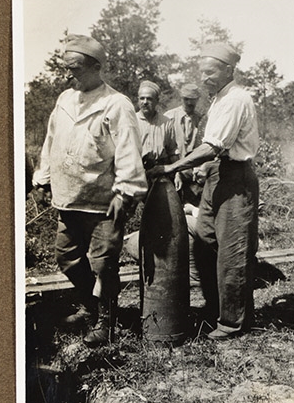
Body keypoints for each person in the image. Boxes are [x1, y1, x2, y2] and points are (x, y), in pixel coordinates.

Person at [32, 35, 148, 346]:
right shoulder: (64, 100)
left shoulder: (116, 104)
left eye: (75, 69)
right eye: (66, 69)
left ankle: (106, 323)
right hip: (70, 197)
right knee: (66, 256)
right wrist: (42, 179)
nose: (68, 75)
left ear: (95, 67)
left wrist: (125, 192)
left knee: (103, 264)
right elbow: (51, 141)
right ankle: (89, 307)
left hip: (103, 202)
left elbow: (127, 151)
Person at [149, 42, 259, 340]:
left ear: (228, 70)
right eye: (203, 72)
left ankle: (233, 322)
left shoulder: (237, 99)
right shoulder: (218, 100)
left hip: (236, 179)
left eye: (211, 72)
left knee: (232, 251)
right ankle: (215, 308)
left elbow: (213, 146)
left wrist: (173, 168)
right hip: (216, 175)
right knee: (205, 241)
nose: (205, 78)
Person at [166, 84, 206, 205]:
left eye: (193, 99)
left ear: (197, 99)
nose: (189, 103)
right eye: (186, 99)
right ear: (181, 98)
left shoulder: (201, 119)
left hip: (194, 174)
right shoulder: (169, 117)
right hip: (173, 170)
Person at [135, 80, 179, 171]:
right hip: (136, 170)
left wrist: (178, 174)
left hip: (160, 170)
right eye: (142, 98)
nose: (145, 102)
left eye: (149, 99)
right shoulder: (131, 121)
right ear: (138, 100)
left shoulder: (166, 122)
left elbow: (172, 151)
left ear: (157, 101)